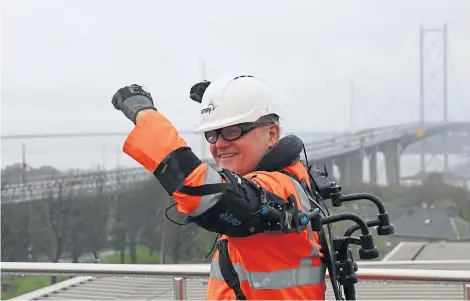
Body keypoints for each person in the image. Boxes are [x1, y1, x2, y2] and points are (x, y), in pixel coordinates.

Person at [111, 74, 326, 300]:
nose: (220, 145)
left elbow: (204, 194)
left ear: (272, 133)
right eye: (213, 134)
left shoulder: (278, 186)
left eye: (233, 131)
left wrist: (144, 114)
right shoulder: (292, 179)